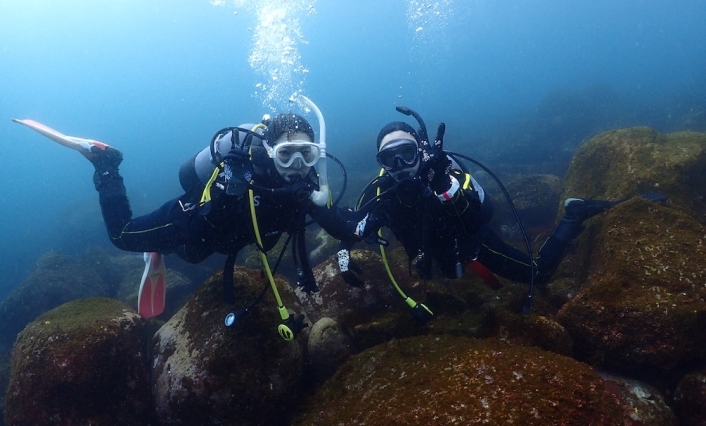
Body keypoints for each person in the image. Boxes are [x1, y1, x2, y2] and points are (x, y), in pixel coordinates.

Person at [335, 109, 665, 317]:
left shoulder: (445, 172)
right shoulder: (381, 193)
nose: (399, 165)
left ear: (420, 151)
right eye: (389, 159)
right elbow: (352, 225)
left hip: (475, 246)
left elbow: (485, 212)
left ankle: (573, 215)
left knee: (540, 273)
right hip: (441, 256)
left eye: (406, 154)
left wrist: (444, 188)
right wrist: (343, 252)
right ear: (381, 163)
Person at [86, 107, 364, 338]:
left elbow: (341, 228)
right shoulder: (245, 174)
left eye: (306, 153)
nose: (297, 164)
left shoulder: (309, 187)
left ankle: (161, 250)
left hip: (226, 239)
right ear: (270, 151)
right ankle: (107, 166)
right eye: (286, 153)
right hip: (194, 219)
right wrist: (232, 189)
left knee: (193, 255)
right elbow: (201, 224)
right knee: (122, 236)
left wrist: (354, 238)